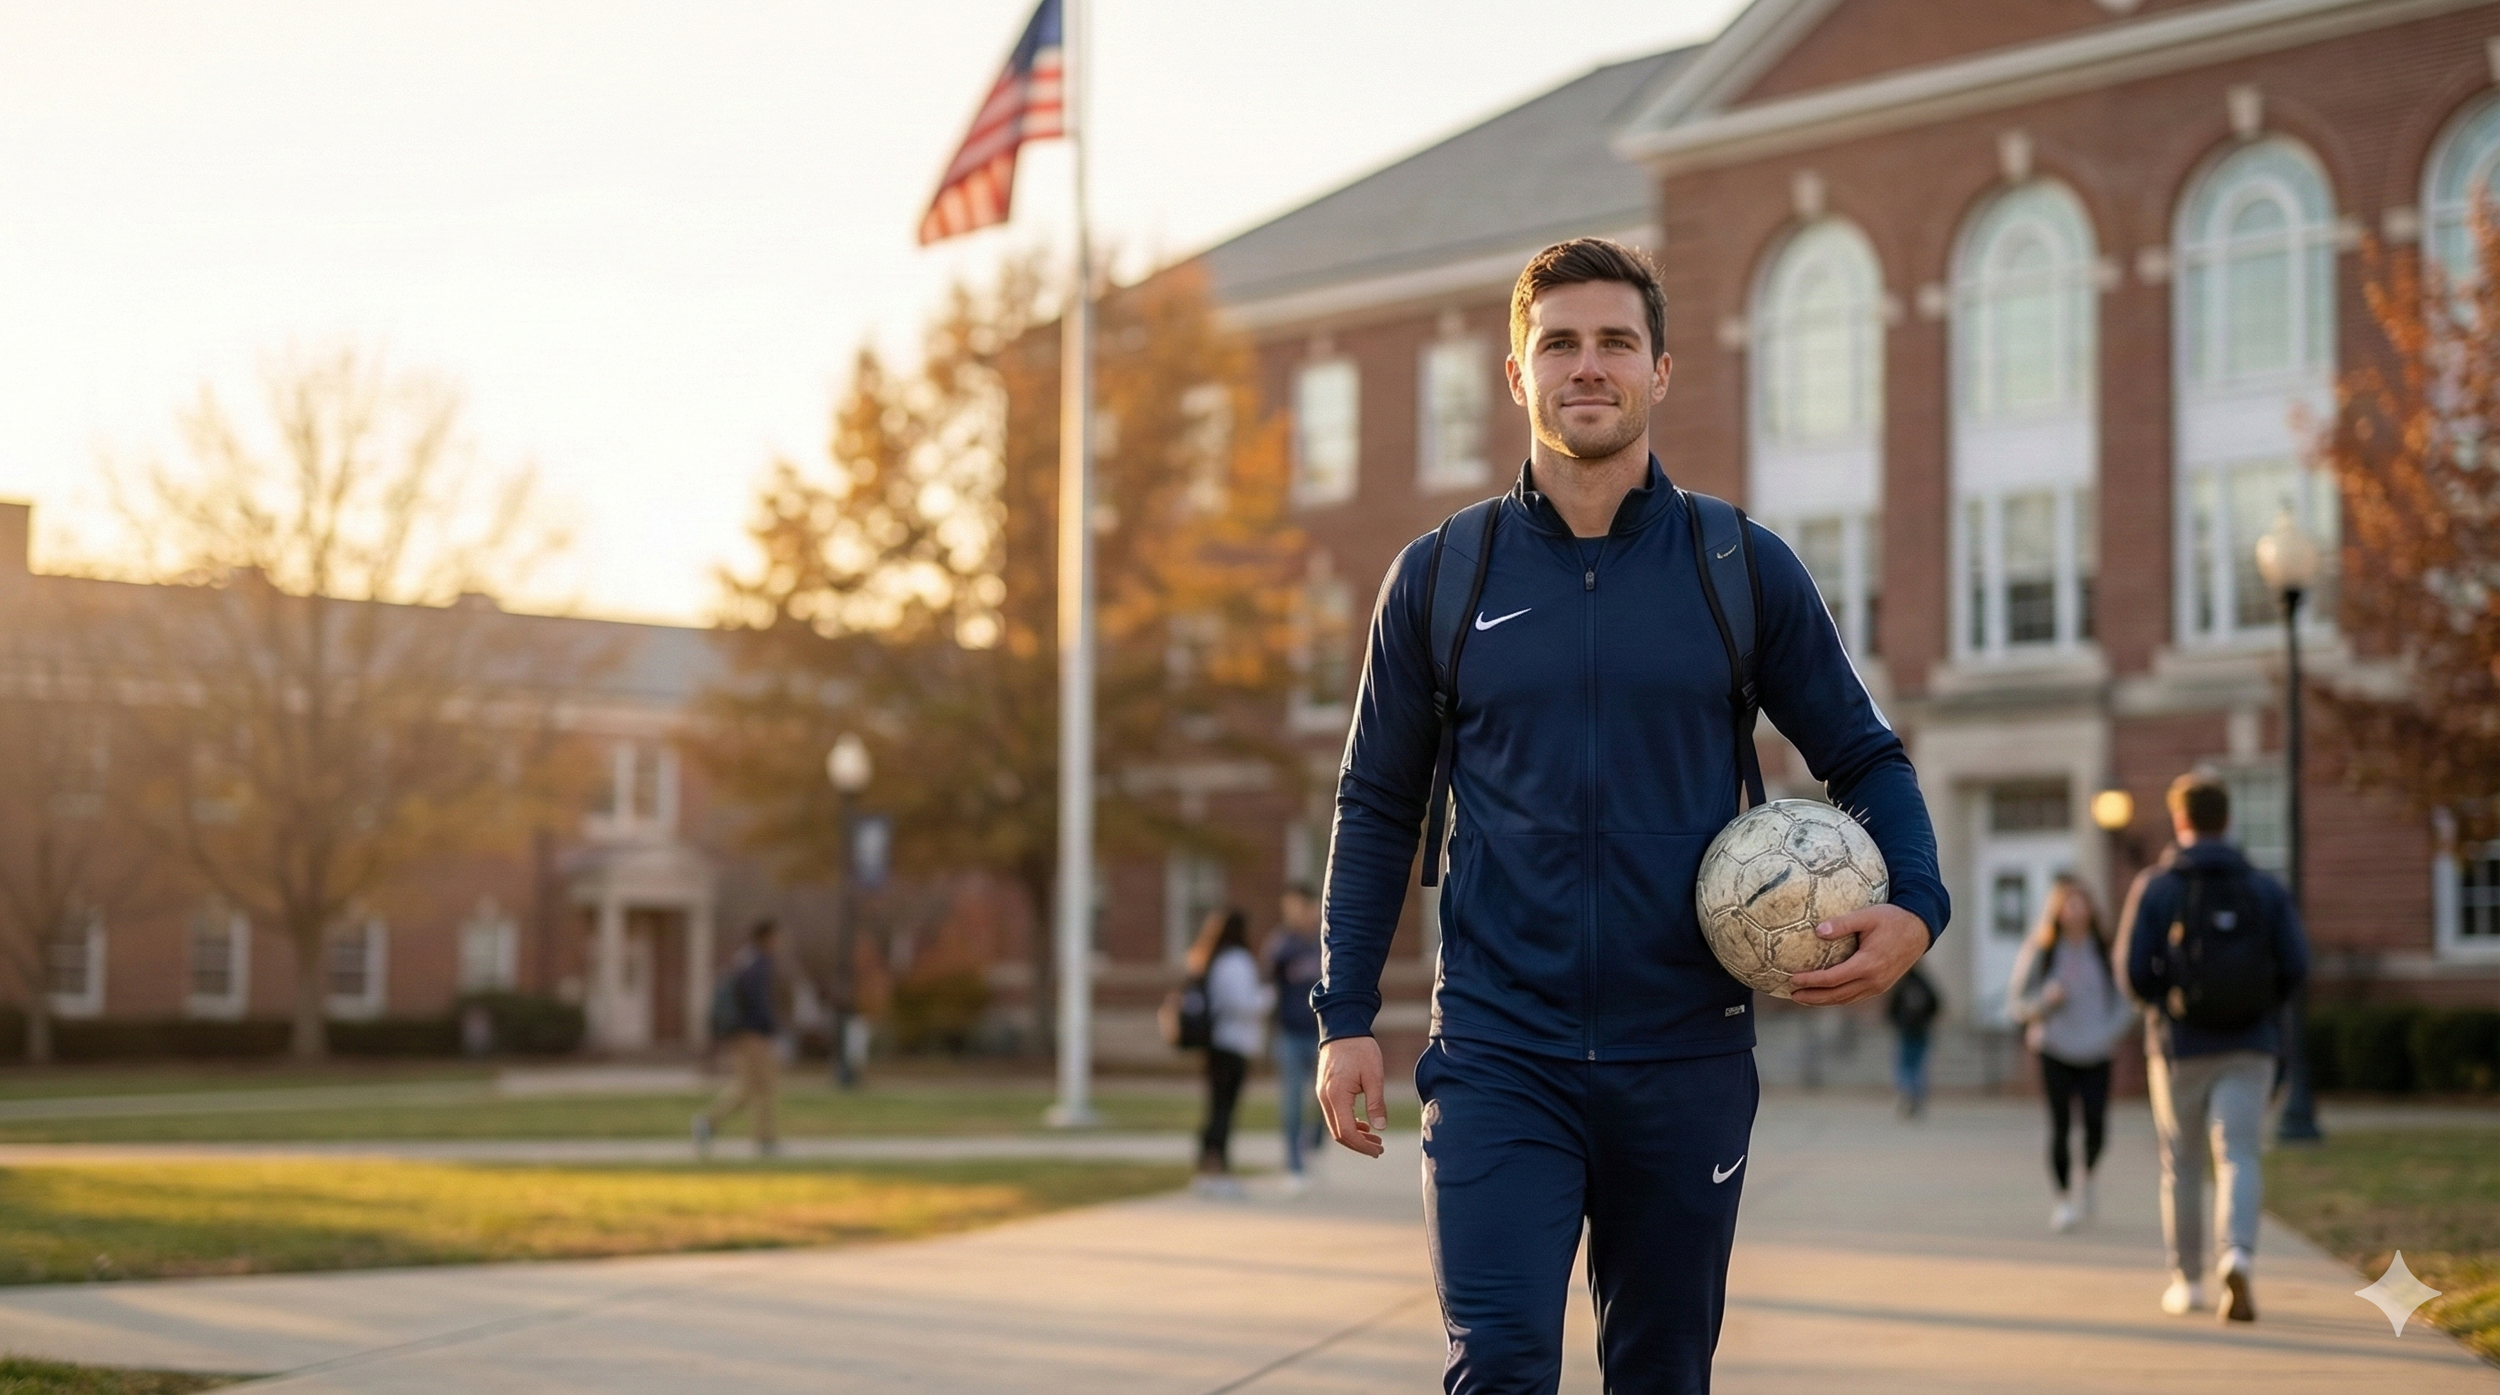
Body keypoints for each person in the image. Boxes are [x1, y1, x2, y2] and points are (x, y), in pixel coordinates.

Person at [1312, 238, 1950, 1391]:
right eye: (1558, 343)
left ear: (1661, 371)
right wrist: (1345, 1011)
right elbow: (1375, 803)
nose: (1587, 366)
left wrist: (1917, 900)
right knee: (1498, 1365)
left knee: (1660, 1374)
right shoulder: (1440, 576)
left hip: (1684, 1057)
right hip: (1503, 1054)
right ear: (1518, 376)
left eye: (1615, 342)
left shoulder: (1737, 566)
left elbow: (1863, 755)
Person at [2121, 772, 2309, 1322]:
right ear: (2227, 821)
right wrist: (2262, 1009)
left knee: (2181, 1164)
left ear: (2181, 822)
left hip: (2180, 1048)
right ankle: (2240, 1256)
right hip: (2251, 1044)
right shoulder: (2265, 888)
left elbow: (2135, 973)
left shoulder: (2158, 886)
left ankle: (2188, 1282)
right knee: (2239, 1156)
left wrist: (2166, 1003)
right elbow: (2296, 965)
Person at [2008, 874, 2132, 1232]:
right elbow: (2018, 1005)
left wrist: (2107, 1034)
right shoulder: (2042, 951)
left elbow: (2125, 1003)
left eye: (2083, 901)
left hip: (2097, 1051)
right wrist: (2045, 1002)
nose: (2076, 909)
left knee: (2096, 1126)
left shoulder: (2105, 952)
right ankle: (2064, 1200)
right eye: (2069, 902)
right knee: (2060, 1126)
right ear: (2057, 910)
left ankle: (2088, 1177)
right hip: (2055, 1049)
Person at [1188, 907, 1268, 1197]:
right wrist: (1269, 997)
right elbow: (1244, 1004)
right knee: (1224, 1109)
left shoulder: (1212, 960)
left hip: (1217, 1043)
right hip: (1233, 1044)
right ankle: (1215, 1169)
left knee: (1216, 1107)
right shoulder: (1236, 961)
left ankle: (1208, 1167)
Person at [695, 918, 781, 1158]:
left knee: (748, 1086)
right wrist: (768, 1028)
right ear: (766, 937)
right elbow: (758, 1000)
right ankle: (765, 1140)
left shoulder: (744, 959)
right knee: (764, 1085)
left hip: (739, 1032)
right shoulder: (759, 963)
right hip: (752, 1033)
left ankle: (707, 1123)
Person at [1261, 883, 1327, 1194]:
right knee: (1292, 1103)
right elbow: (1267, 989)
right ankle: (1294, 1165)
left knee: (1326, 1098)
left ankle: (1314, 1141)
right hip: (1289, 1033)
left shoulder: (1324, 943)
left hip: (1322, 1035)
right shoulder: (1281, 945)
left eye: (1302, 906)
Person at [1884, 962, 1940, 1119]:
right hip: (1921, 1030)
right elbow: (1936, 1004)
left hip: (1906, 1030)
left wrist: (1897, 1022)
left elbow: (1891, 1008)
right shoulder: (1925, 984)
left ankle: (1906, 1093)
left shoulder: (1902, 985)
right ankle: (1917, 1097)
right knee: (1918, 1066)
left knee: (1904, 1065)